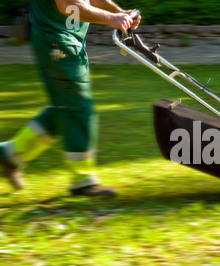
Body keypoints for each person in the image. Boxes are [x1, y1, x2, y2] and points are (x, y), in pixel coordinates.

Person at [0, 0, 141, 196]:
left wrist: (119, 12)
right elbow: (69, 6)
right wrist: (112, 18)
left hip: (68, 40)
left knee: (65, 108)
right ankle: (83, 181)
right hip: (56, 42)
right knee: (79, 108)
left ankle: (10, 154)